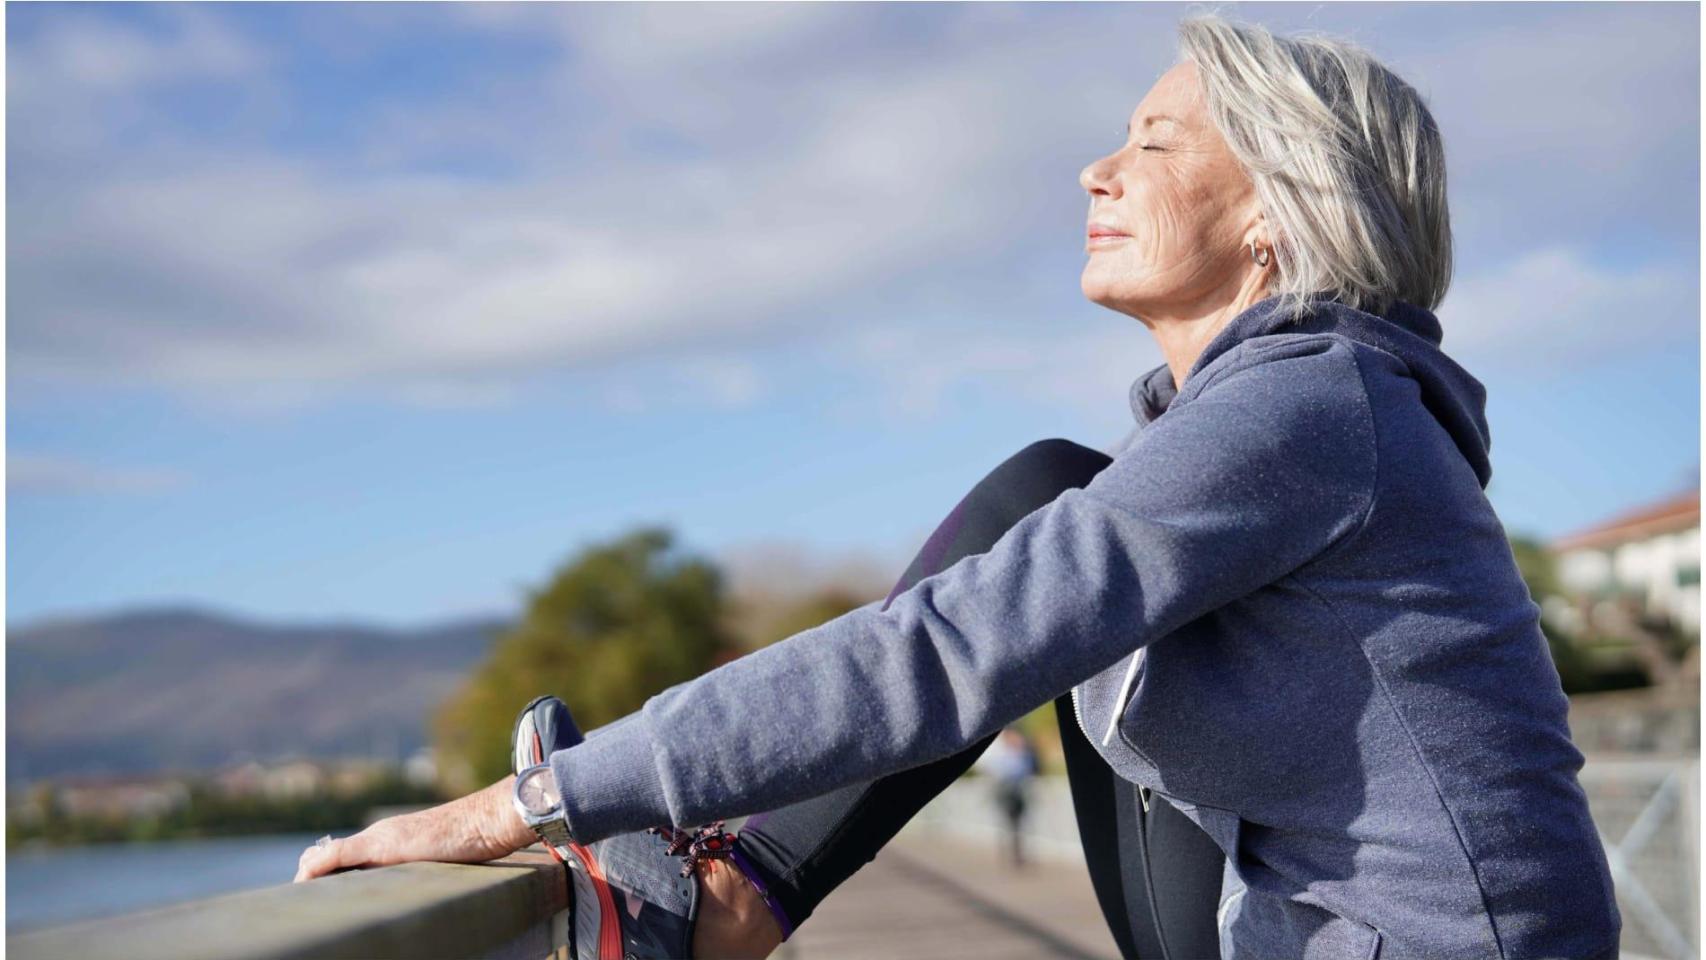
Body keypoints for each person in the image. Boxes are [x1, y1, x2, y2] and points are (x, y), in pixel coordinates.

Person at [295, 12, 1624, 960]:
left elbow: (941, 652)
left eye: (1154, 145)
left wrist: (523, 807)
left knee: (1030, 547)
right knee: (1049, 497)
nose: (1096, 170)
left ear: (1276, 207)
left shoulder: (1311, 403)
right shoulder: (1276, 418)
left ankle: (724, 905)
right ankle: (728, 898)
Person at [976, 726, 1040, 868]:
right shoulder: (1000, 752)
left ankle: (1016, 854)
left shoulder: (1023, 753)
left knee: (1017, 824)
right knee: (1006, 824)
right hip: (1004, 791)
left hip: (1018, 791)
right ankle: (1007, 853)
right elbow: (994, 769)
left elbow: (1030, 769)